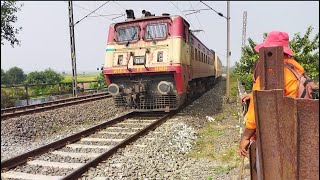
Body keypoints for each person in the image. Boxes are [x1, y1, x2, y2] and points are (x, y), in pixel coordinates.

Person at [239, 31, 306, 157]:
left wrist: (246, 137)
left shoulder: (271, 72)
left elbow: (256, 110)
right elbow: (283, 94)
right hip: (295, 130)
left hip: (275, 136)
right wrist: (253, 95)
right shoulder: (295, 68)